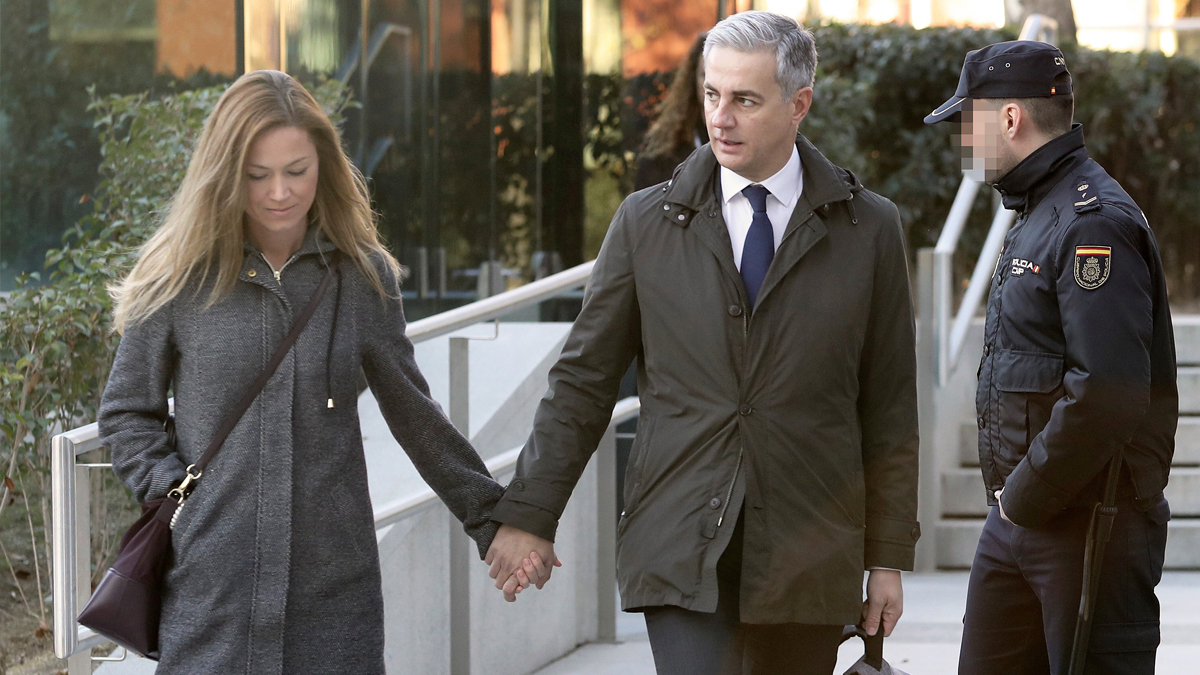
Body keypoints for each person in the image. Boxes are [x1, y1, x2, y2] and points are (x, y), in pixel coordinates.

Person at [486, 11, 920, 675]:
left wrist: (886, 558)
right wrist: (530, 512)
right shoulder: (644, 224)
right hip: (679, 537)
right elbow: (583, 381)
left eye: (745, 100)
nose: (722, 117)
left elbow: (889, 408)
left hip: (809, 547)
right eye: (713, 95)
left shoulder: (870, 230)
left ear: (799, 104)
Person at [98, 70, 531, 674]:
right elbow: (126, 412)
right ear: (225, 174)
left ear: (323, 165)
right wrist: (179, 499)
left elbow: (414, 413)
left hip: (334, 591)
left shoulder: (361, 276)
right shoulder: (179, 279)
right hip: (211, 588)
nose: (280, 192)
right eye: (258, 175)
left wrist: (495, 520)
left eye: (297, 171)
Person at [924, 41, 1178, 674]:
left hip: (1090, 522)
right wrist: (1013, 509)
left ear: (1009, 118)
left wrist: (1022, 497)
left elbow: (1110, 393)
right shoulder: (1040, 209)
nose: (963, 138)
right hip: (1026, 518)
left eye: (967, 121)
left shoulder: (1091, 221)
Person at [635, 31, 711, 191]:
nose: (712, 87)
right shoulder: (664, 152)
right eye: (706, 76)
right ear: (693, 80)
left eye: (722, 76)